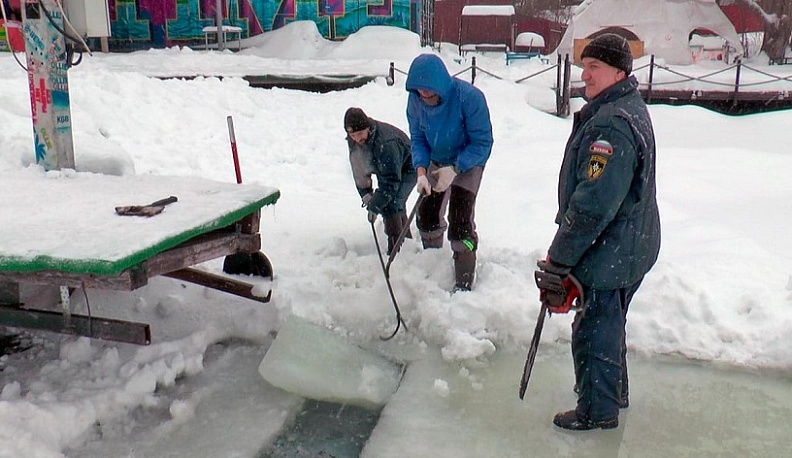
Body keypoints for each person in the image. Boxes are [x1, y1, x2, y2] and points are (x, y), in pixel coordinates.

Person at [537, 33, 661, 430]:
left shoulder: (612, 125)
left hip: (613, 249)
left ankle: (597, 411)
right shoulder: (625, 107)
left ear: (619, 71)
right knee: (608, 323)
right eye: (584, 66)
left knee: (594, 329)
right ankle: (614, 393)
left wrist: (560, 259)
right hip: (630, 244)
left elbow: (592, 205)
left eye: (595, 68)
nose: (585, 75)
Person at [404, 53, 493, 292]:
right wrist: (421, 172)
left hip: (468, 161)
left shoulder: (469, 98)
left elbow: (482, 142)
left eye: (429, 91)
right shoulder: (415, 101)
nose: (424, 95)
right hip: (435, 159)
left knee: (460, 220)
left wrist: (456, 168)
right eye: (419, 90)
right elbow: (418, 138)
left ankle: (464, 282)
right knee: (427, 216)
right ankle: (433, 269)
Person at [344, 107, 416, 255]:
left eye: (359, 134)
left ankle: (397, 248)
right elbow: (359, 170)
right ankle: (405, 240)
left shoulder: (386, 143)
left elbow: (390, 182)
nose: (357, 139)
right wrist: (366, 194)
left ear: (368, 129)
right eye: (352, 135)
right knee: (389, 202)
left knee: (392, 203)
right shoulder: (355, 141)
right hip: (387, 168)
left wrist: (375, 206)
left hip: (410, 167)